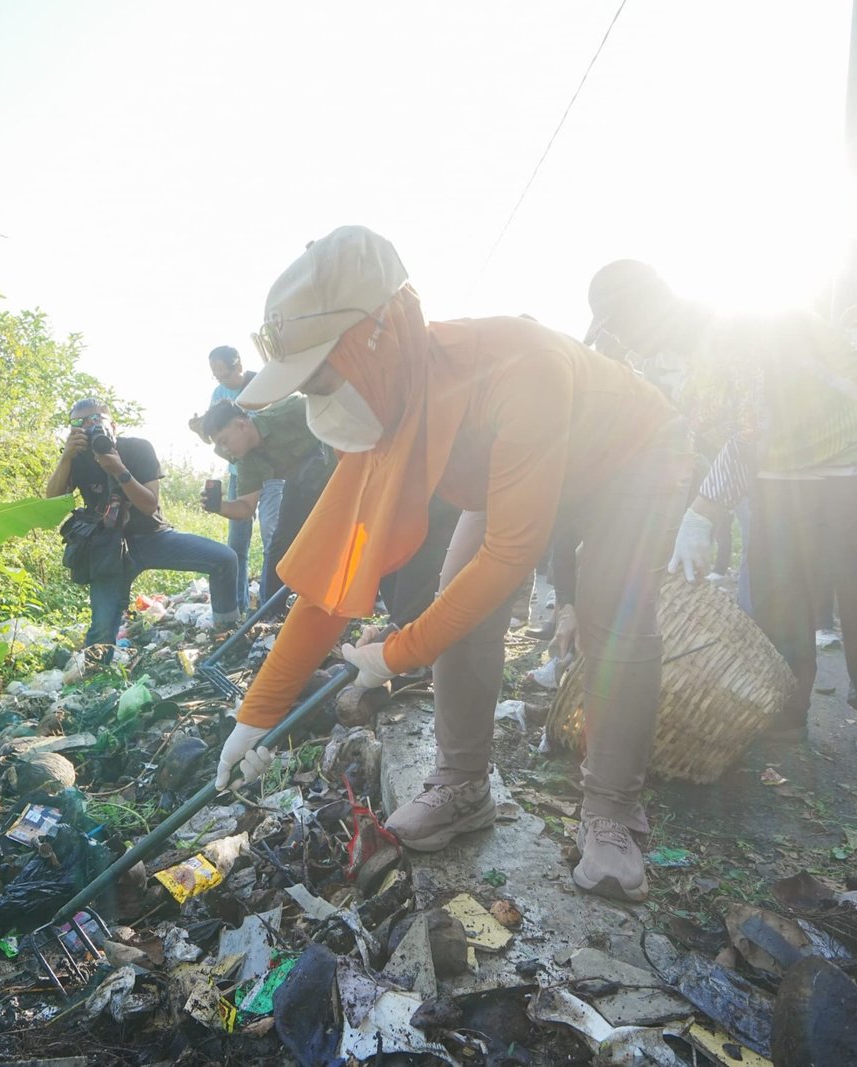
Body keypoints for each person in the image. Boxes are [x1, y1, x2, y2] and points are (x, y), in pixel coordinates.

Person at [214, 225, 690, 903]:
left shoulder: (515, 369)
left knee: (616, 603)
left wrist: (398, 652)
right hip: (524, 469)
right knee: (459, 604)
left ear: (381, 331)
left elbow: (511, 554)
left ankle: (611, 809)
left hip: (633, 454)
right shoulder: (383, 406)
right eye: (307, 386)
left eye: (323, 374)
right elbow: (331, 581)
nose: (321, 399)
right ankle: (463, 784)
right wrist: (255, 714)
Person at [593, 262, 857, 758]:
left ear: (647, 308)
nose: (619, 337)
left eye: (618, 321)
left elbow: (749, 437)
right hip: (785, 469)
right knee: (777, 597)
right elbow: (717, 437)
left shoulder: (737, 333)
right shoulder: (680, 359)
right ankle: (784, 715)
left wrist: (702, 514)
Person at [47, 397, 240, 648]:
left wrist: (118, 470)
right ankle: (96, 678)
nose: (89, 426)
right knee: (102, 632)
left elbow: (149, 505)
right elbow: (51, 501)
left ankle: (226, 635)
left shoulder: (137, 449)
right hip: (107, 549)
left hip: (152, 536)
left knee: (225, 558)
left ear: (113, 426)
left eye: (96, 419)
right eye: (80, 422)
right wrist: (66, 457)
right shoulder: (76, 457)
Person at [201, 396, 333, 609]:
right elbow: (246, 507)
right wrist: (219, 506)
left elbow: (335, 414)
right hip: (300, 484)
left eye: (224, 441)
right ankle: (270, 612)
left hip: (340, 467)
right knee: (280, 545)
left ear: (241, 425)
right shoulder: (246, 460)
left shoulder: (290, 410)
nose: (224, 450)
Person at [188, 346, 283, 610]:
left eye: (224, 373)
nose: (221, 380)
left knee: (272, 536)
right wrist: (200, 431)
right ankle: (240, 605)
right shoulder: (219, 395)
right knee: (236, 544)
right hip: (240, 473)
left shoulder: (260, 383)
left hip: (272, 472)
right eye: (216, 375)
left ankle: (270, 604)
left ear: (237, 364)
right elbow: (216, 437)